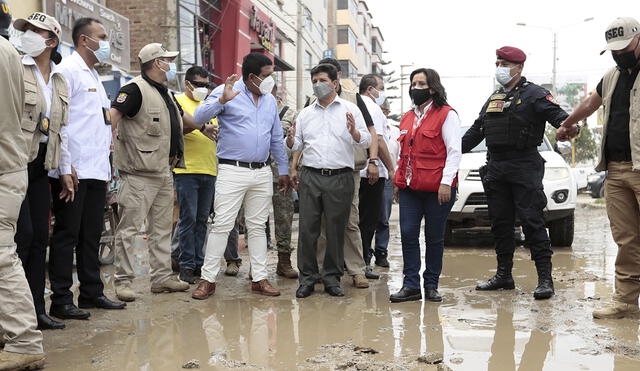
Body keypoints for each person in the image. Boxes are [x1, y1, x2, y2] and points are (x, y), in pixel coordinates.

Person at [110, 43, 216, 301]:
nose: (171, 64)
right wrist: (105, 149)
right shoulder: (134, 89)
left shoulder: (166, 93)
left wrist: (203, 128)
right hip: (137, 174)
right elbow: (113, 116)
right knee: (130, 230)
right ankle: (123, 281)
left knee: (161, 230)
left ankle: (161, 278)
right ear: (157, 63)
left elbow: (183, 120)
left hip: (163, 171)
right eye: (167, 60)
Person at [462, 47, 568, 300]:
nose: (499, 67)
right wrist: (451, 151)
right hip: (496, 166)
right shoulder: (495, 97)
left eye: (504, 63)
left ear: (519, 67)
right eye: (497, 62)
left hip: (524, 164)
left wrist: (567, 126)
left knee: (532, 222)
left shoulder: (535, 94)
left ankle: (545, 280)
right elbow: (478, 130)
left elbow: (559, 117)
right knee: (500, 223)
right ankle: (503, 276)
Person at [556, 17, 640, 318]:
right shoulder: (612, 75)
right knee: (626, 239)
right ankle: (626, 303)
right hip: (616, 170)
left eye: (625, 47)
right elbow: (591, 103)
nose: (620, 54)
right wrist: (568, 123)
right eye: (614, 50)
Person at [191, 53, 289, 300]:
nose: (271, 80)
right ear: (252, 76)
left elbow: (276, 137)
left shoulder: (269, 101)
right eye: (267, 75)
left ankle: (259, 278)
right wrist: (220, 100)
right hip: (231, 169)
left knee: (257, 227)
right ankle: (208, 280)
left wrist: (285, 170)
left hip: (262, 171)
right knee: (222, 224)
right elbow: (199, 118)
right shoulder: (228, 92)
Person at [47, 17, 125, 321]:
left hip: (97, 169)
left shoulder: (93, 73)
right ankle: (61, 299)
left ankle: (92, 292)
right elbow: (61, 123)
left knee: (91, 234)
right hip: (74, 170)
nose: (105, 43)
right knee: (67, 234)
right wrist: (66, 166)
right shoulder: (67, 70)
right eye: (101, 37)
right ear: (83, 40)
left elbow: (102, 124)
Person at [287, 63, 372, 298]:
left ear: (335, 83)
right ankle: (307, 279)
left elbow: (365, 140)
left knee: (336, 229)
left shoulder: (350, 109)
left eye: (322, 80)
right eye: (314, 80)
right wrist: (291, 140)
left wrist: (355, 133)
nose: (318, 85)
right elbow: (297, 145)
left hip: (341, 177)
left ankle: (332, 278)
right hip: (311, 175)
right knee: (307, 229)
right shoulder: (305, 114)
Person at [13, 12, 68, 331]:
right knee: (22, 236)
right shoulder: (15, 69)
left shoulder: (60, 78)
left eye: (36, 31)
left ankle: (36, 311)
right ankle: (14, 315)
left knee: (38, 239)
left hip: (43, 162)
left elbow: (63, 130)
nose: (29, 35)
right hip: (15, 160)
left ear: (52, 40)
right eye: (27, 30)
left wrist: (65, 168)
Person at [389, 68, 461, 303]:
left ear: (432, 88)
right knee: (408, 234)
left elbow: (454, 152)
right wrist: (399, 182)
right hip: (410, 188)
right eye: (413, 84)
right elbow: (403, 154)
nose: (415, 88)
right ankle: (410, 286)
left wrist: (446, 183)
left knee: (434, 237)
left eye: (421, 84)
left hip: (437, 189)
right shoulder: (408, 117)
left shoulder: (446, 114)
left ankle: (431, 285)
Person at [0, 1, 46, 369]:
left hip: (2, 169)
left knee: (1, 257)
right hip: (12, 165)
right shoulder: (11, 55)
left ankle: (23, 341)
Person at [172, 66, 218, 284]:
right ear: (187, 84)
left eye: (206, 85)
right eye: (199, 85)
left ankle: (199, 263)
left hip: (210, 169)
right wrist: (201, 127)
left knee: (202, 220)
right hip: (186, 170)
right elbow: (177, 128)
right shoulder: (178, 101)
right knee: (187, 219)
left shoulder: (210, 105)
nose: (203, 89)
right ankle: (186, 265)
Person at [357, 74, 396, 270]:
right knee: (368, 221)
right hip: (372, 173)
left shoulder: (352, 104)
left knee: (354, 221)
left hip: (355, 171)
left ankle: (354, 262)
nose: (381, 92)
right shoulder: (372, 107)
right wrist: (391, 168)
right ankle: (363, 262)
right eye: (380, 88)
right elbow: (378, 141)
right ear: (371, 89)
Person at [270, 85, 299, 279]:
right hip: (256, 170)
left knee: (284, 217)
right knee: (254, 220)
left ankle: (284, 260)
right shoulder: (252, 110)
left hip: (281, 174)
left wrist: (291, 169)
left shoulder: (290, 112)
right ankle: (255, 266)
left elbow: (296, 143)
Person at [374, 100, 400, 267]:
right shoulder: (371, 129)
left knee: (383, 218)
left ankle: (381, 252)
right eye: (380, 109)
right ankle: (365, 254)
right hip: (371, 176)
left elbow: (400, 154)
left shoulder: (395, 132)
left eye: (385, 110)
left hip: (388, 178)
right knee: (367, 217)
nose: (383, 112)